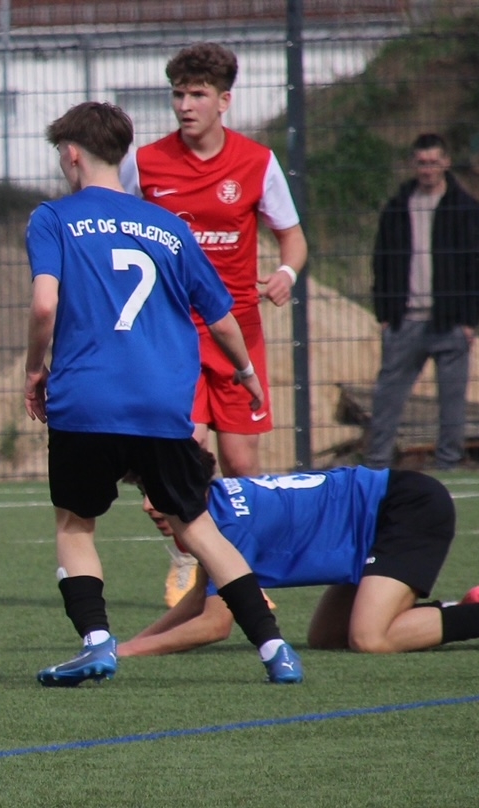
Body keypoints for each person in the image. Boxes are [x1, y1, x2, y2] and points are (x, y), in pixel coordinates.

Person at [24, 100, 302, 687]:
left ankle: (97, 643)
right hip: (163, 403)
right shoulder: (169, 226)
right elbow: (220, 318)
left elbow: (45, 305)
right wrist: (246, 372)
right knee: (197, 527)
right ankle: (275, 647)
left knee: (76, 524)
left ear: (71, 155)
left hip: (87, 401)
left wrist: (32, 371)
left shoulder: (53, 218)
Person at [119, 42, 308, 607]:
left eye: (197, 94)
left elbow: (293, 238)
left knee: (242, 465)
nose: (185, 105)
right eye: (178, 94)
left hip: (237, 336)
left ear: (224, 101)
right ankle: (189, 558)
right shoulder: (145, 164)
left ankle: (244, 572)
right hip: (172, 337)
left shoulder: (257, 162)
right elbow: (114, 226)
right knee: (183, 455)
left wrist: (286, 274)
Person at [118, 464, 479, 657]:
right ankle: (461, 612)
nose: (146, 506)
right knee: (325, 638)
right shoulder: (215, 507)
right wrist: (130, 644)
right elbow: (198, 601)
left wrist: (125, 654)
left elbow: (214, 624)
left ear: (188, 488)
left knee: (369, 638)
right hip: (368, 526)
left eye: (155, 493)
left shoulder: (227, 525)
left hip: (402, 509)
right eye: (143, 492)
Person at [365, 133, 479, 470]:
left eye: (434, 162)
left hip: (450, 322)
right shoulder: (396, 208)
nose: (427, 169)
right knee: (387, 398)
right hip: (404, 320)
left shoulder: (465, 209)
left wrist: (469, 321)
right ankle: (377, 465)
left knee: (452, 402)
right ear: (413, 164)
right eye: (422, 163)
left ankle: (449, 466)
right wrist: (384, 314)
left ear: (446, 162)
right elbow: (381, 262)